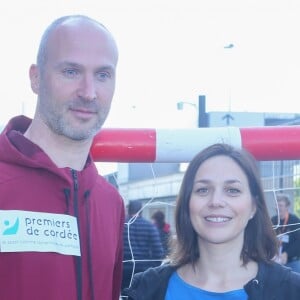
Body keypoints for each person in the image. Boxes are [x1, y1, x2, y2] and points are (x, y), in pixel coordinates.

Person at [0, 15, 124, 300]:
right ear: (36, 77)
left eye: (103, 74)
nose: (89, 93)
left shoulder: (110, 201)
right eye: (71, 71)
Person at [123, 143, 300, 299]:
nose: (216, 201)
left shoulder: (291, 290)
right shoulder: (147, 288)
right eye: (202, 190)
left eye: (232, 190)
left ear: (253, 206)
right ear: (187, 203)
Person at [122, 200, 164, 292]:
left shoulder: (121, 225)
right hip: (143, 271)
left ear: (129, 210)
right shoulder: (150, 226)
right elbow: (158, 252)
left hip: (123, 270)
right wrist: (151, 269)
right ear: (141, 210)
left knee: (124, 295)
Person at [271, 193, 300, 273]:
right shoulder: (272, 221)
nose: (277, 208)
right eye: (276, 205)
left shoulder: (295, 221)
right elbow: (267, 239)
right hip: (276, 261)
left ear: (287, 207)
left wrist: (287, 254)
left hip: (292, 262)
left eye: (280, 205)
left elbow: (298, 242)